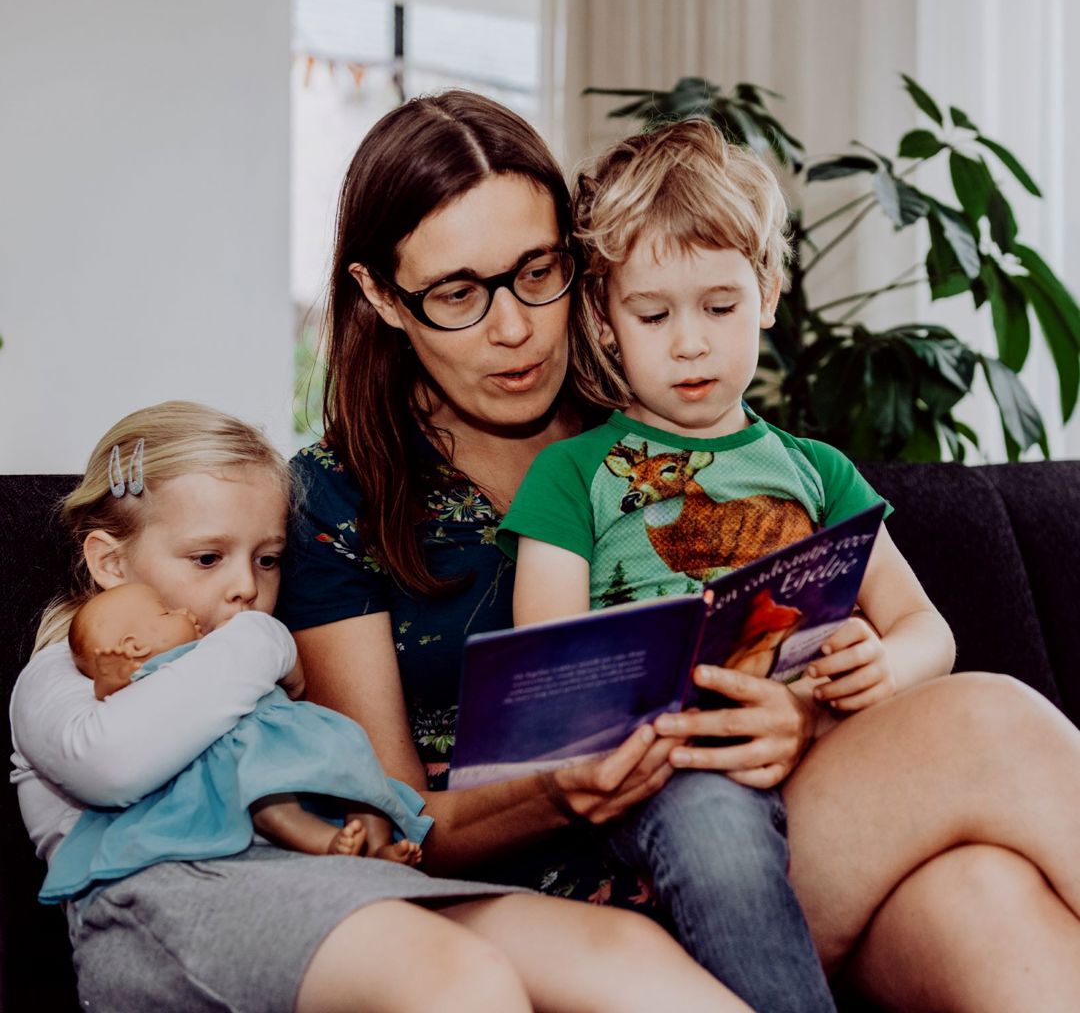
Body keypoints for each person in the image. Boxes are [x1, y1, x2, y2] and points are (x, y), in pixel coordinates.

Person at [278, 89, 1080, 1013]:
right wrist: (558, 790)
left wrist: (801, 720)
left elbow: (853, 636)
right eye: (458, 293)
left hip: (761, 830)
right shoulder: (334, 500)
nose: (514, 327)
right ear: (382, 295)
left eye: (539, 271)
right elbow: (403, 831)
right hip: (556, 903)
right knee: (982, 746)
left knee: (984, 894)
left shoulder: (671, 421)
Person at [11, 401, 747, 1013]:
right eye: (209, 559)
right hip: (169, 901)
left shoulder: (253, 683)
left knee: (621, 951)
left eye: (267, 561)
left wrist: (368, 818)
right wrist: (265, 644)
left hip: (335, 882)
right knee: (455, 977)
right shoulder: (67, 675)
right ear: (110, 563)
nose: (245, 588)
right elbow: (108, 766)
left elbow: (340, 777)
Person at [496, 118, 955, 1009]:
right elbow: (551, 678)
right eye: (653, 314)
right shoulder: (572, 476)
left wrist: (885, 664)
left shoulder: (818, 471)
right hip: (678, 780)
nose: (691, 343)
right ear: (602, 318)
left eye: (720, 305)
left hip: (827, 759)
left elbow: (927, 629)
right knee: (714, 830)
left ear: (769, 293)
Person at [42, 580, 425, 909]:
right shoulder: (150, 675)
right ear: (136, 647)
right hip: (243, 757)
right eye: (167, 612)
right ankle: (326, 843)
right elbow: (117, 710)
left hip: (293, 739)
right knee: (269, 803)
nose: (185, 612)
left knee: (356, 776)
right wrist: (111, 681)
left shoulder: (216, 645)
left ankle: (377, 849)